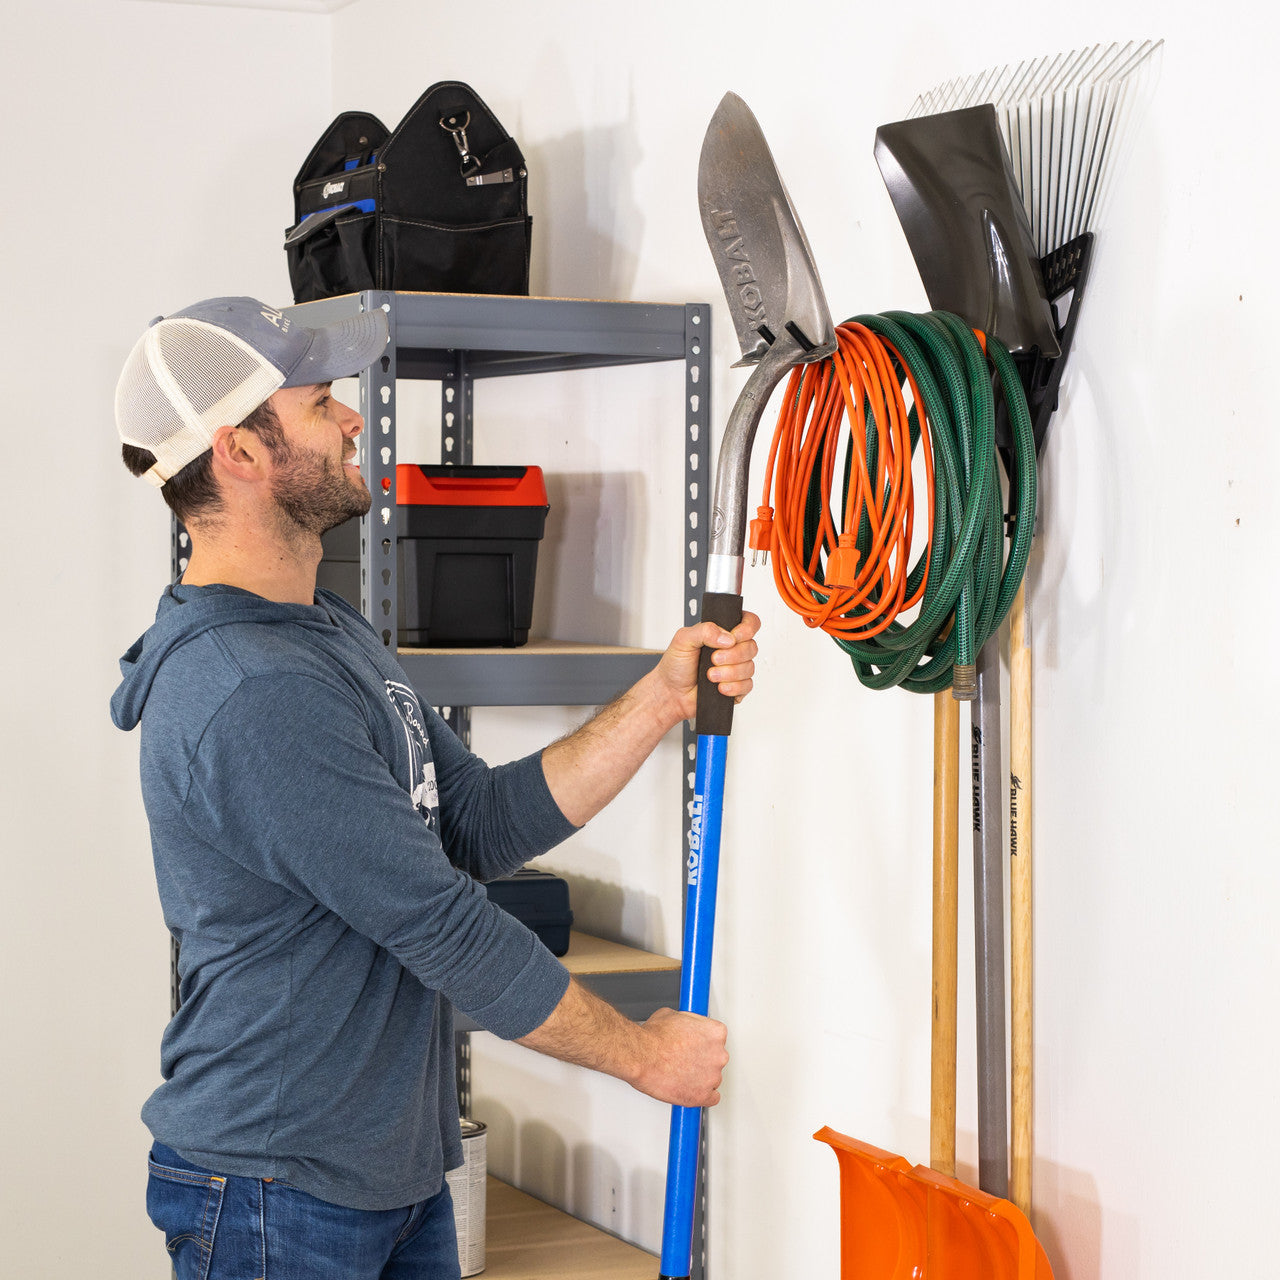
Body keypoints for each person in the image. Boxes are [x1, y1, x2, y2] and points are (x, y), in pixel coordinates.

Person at [110, 297, 760, 1279]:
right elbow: (443, 924)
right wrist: (641, 1055)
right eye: (321, 400)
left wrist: (658, 699)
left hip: (393, 1175)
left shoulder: (327, 632)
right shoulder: (249, 690)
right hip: (279, 1192)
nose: (353, 418)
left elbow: (473, 825)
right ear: (239, 452)